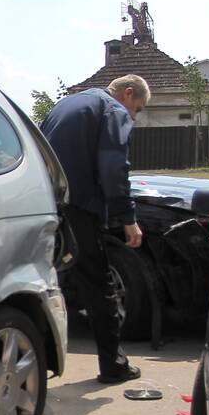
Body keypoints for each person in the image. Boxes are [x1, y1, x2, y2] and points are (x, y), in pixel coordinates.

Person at [41, 74, 150, 384]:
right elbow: (114, 168)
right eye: (137, 109)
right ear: (127, 94)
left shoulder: (67, 104)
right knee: (99, 286)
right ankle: (113, 366)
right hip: (80, 207)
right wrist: (127, 217)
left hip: (48, 203)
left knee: (47, 281)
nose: (134, 117)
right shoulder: (113, 111)